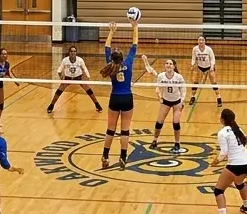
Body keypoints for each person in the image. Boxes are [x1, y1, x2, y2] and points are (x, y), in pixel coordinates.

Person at [100, 20, 139, 169]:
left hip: (115, 98)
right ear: (122, 58)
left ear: (112, 58)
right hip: (127, 98)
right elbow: (134, 44)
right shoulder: (127, 63)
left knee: (110, 129)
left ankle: (105, 156)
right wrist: (135, 27)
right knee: (125, 130)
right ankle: (123, 157)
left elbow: (106, 47)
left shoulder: (110, 65)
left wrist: (111, 31)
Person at [209, 108, 247, 214]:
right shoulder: (238, 129)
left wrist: (216, 161)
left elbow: (224, 152)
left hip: (235, 165)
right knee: (239, 183)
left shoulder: (222, 133)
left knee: (218, 190)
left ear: (222, 119)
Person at [142, 56, 186, 152]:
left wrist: (182, 101)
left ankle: (177, 143)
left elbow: (183, 90)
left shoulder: (179, 77)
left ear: (174, 66)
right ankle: (154, 140)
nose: (168, 65)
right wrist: (160, 98)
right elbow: (157, 86)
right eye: (167, 63)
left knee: (176, 122)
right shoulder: (161, 76)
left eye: (170, 64)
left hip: (177, 101)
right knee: (159, 122)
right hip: (166, 101)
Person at [47, 45, 102, 114]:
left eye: (74, 51)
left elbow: (84, 68)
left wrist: (88, 76)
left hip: (78, 78)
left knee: (89, 90)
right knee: (58, 91)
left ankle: (97, 105)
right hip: (68, 78)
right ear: (69, 52)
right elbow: (59, 70)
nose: (73, 53)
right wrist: (61, 77)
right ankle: (51, 106)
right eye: (71, 51)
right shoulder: (65, 60)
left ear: (76, 52)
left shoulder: (80, 60)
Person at [189, 36, 222, 106]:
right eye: (199, 40)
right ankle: (193, 97)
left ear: (205, 41)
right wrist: (192, 64)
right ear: (198, 41)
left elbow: (213, 59)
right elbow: (193, 58)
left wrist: (212, 67)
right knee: (195, 82)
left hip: (209, 68)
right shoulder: (195, 49)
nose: (201, 41)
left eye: (202, 40)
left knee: (214, 82)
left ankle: (219, 97)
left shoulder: (209, 49)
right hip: (200, 68)